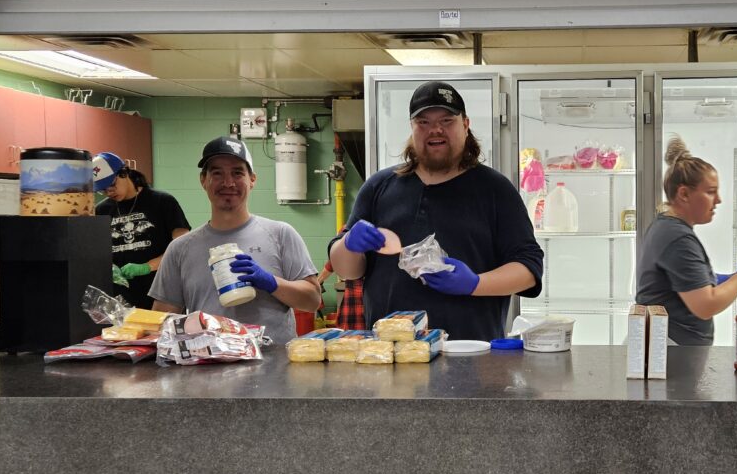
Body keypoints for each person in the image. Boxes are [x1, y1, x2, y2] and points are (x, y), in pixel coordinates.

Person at [329, 80, 544, 341]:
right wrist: (349, 244)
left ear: (465, 125)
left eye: (447, 120)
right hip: (393, 354)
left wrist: (475, 284)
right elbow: (348, 271)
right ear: (412, 128)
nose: (435, 130)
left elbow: (529, 270)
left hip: (471, 353)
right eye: (424, 122)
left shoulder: (495, 189)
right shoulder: (379, 186)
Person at [149, 136, 321, 343]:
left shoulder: (281, 234)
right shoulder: (179, 249)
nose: (228, 182)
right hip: (206, 367)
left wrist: (271, 282)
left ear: (252, 179)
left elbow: (312, 301)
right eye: (217, 173)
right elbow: (163, 321)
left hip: (274, 370)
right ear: (203, 180)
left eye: (237, 173)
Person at [636, 138, 737, 346]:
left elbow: (678, 281)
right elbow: (706, 305)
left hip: (668, 344)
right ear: (684, 194)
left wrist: (718, 279)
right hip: (671, 350)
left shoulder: (666, 226)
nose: (719, 200)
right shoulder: (677, 238)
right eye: (711, 192)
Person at [93, 151, 191, 309]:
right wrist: (107, 267)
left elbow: (183, 246)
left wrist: (148, 266)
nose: (108, 192)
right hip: (120, 300)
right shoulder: (101, 210)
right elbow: (95, 250)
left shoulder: (162, 202)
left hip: (161, 295)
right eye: (102, 190)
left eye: (111, 184)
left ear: (125, 172)